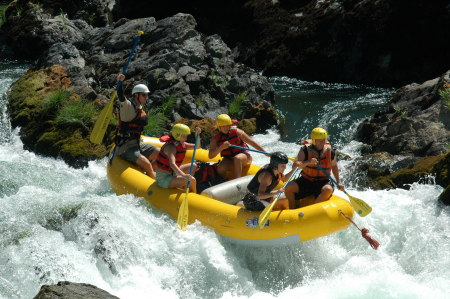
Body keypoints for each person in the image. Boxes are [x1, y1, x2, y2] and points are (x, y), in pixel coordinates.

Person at [285, 127, 344, 208]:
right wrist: (308, 162)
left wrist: (338, 182)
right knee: (288, 187)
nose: (321, 142)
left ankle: (312, 211)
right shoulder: (305, 150)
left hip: (323, 181)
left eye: (323, 140)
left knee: (328, 189)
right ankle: (292, 209)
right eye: (319, 140)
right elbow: (295, 166)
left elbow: (334, 166)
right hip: (306, 180)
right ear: (313, 140)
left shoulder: (330, 151)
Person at [115, 74, 159, 178]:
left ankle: (149, 175)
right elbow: (121, 96)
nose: (146, 97)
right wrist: (120, 82)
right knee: (147, 163)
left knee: (160, 153)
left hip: (137, 144)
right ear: (136, 95)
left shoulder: (140, 108)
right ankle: (153, 181)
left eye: (147, 95)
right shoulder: (127, 106)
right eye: (144, 95)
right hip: (125, 147)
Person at [209, 114, 267, 179]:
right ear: (219, 127)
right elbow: (210, 156)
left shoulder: (237, 132)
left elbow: (252, 143)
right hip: (229, 159)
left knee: (237, 158)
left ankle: (237, 181)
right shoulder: (215, 139)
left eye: (227, 125)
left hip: (244, 157)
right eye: (223, 126)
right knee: (221, 168)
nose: (226, 128)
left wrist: (265, 153)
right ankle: (225, 181)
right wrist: (221, 147)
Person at [155, 124, 201, 193]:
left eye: (186, 136)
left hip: (172, 173)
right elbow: (172, 164)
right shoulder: (170, 147)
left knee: (194, 165)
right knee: (191, 180)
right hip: (164, 178)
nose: (186, 138)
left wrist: (197, 135)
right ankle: (194, 195)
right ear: (177, 135)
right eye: (183, 136)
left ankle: (185, 189)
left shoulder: (182, 144)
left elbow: (197, 147)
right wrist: (183, 175)